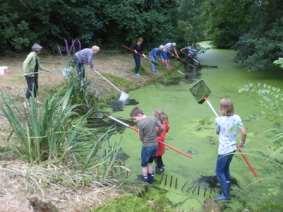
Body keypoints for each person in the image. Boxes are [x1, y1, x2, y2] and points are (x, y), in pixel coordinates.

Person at [215, 98, 247, 201]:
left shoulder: (219, 120)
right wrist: (241, 143)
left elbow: (217, 132)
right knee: (226, 169)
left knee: (219, 172)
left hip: (223, 151)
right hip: (233, 148)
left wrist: (218, 123)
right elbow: (244, 132)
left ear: (222, 109)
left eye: (220, 107)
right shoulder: (237, 118)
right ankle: (227, 186)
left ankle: (225, 195)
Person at [130, 107, 161, 183]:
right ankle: (151, 177)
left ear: (139, 115)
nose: (135, 121)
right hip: (155, 145)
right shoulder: (153, 118)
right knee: (150, 162)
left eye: (135, 118)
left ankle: (145, 178)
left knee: (144, 164)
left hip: (147, 146)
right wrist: (156, 134)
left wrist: (139, 133)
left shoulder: (140, 123)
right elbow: (161, 127)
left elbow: (141, 137)